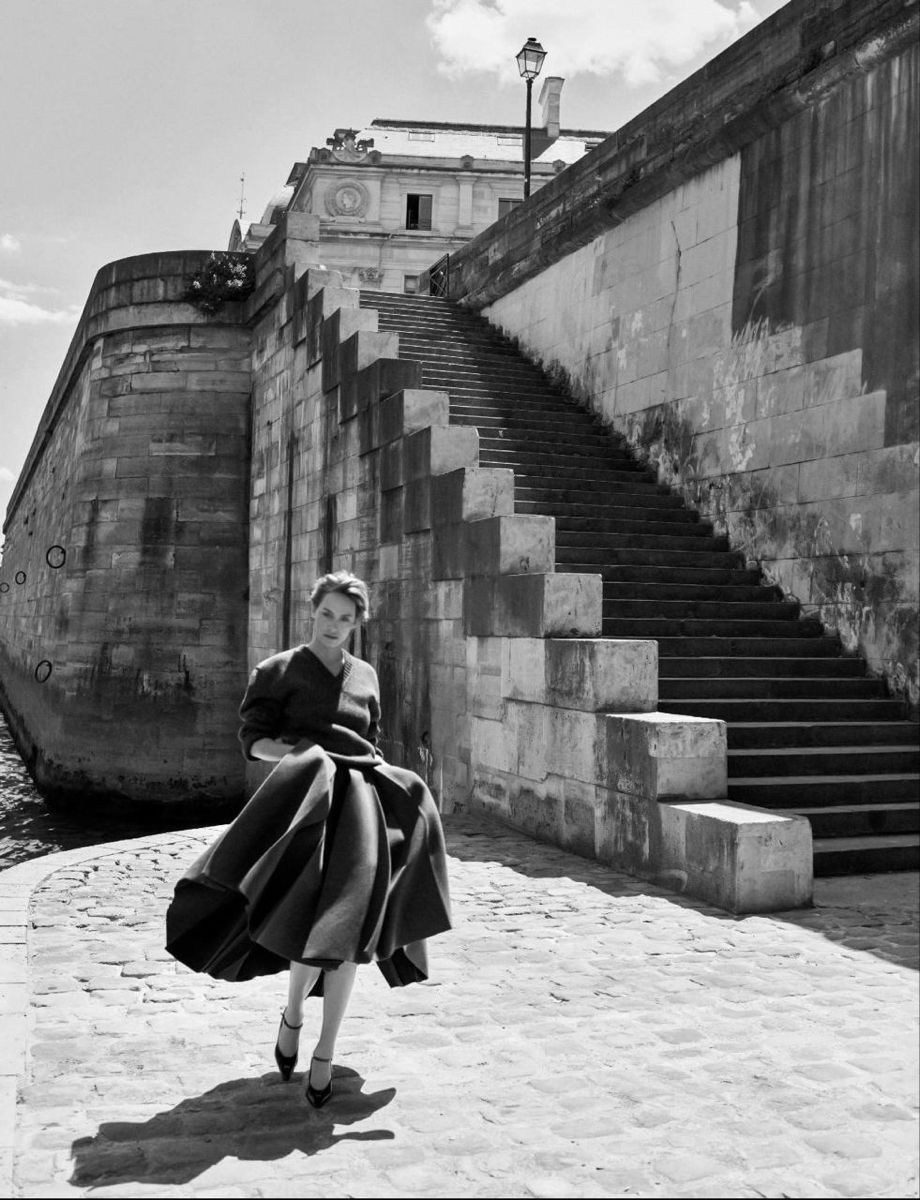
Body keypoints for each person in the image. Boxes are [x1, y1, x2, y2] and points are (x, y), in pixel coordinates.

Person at [165, 570, 452, 1107]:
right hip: (305, 811)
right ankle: (294, 1013)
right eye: (326, 614)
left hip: (359, 815)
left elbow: (370, 743)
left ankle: (325, 1052)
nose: (334, 626)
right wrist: (307, 756)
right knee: (307, 924)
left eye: (345, 619)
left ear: (357, 624)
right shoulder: (277, 670)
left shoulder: (366, 676)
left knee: (349, 932)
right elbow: (254, 743)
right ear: (312, 610)